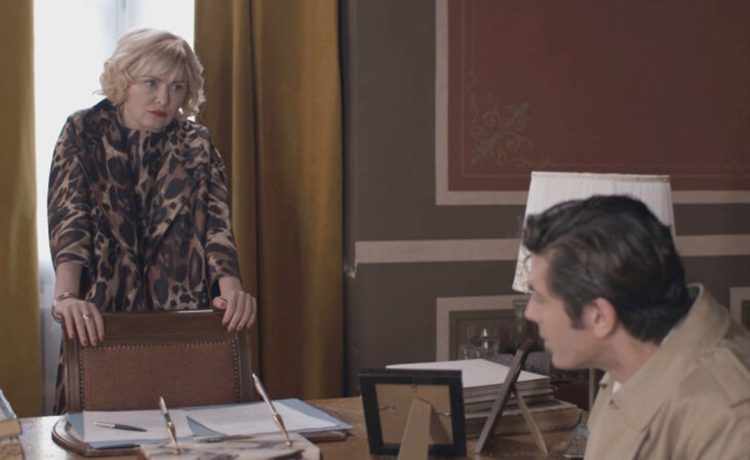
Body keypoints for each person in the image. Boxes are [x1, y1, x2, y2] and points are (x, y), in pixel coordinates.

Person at [47, 28, 257, 413]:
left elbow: (218, 232)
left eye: (177, 87)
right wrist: (66, 297)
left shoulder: (197, 144)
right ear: (124, 79)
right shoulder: (82, 132)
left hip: (179, 324)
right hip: (102, 322)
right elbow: (69, 221)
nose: (164, 98)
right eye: (151, 83)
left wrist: (233, 292)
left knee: (190, 431)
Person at [521, 195, 750, 459]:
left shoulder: (729, 419)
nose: (530, 312)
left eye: (541, 298)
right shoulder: (625, 365)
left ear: (599, 317)